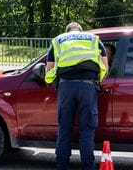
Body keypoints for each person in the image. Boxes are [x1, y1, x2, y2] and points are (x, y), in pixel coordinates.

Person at [45, 22, 108, 170]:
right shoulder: (93, 39)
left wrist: (51, 81)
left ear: (67, 31)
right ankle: (88, 167)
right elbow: (104, 66)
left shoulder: (58, 40)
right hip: (87, 86)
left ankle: (61, 166)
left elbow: (49, 70)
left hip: (66, 87)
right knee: (87, 130)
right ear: (81, 31)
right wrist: (97, 82)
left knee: (64, 129)